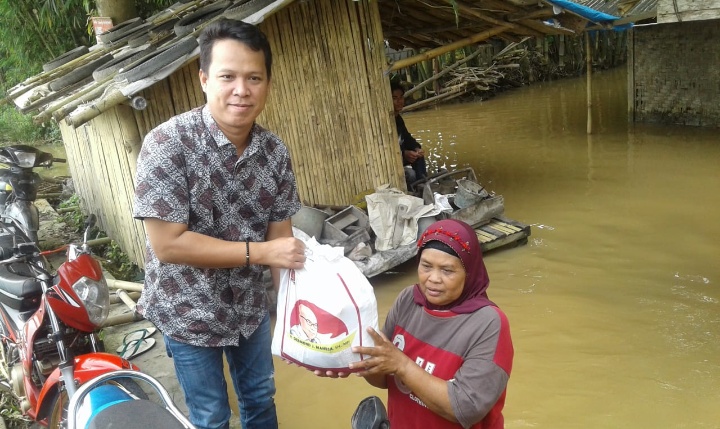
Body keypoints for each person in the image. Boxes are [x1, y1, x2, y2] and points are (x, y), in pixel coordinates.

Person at [132, 19, 306, 429]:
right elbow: (168, 245)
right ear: (204, 80)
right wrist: (262, 253)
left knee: (262, 399)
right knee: (211, 416)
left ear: (267, 84)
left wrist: (294, 318)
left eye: (254, 78)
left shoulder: (274, 152)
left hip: (249, 308)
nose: (241, 90)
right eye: (228, 76)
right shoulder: (166, 143)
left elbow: (281, 237)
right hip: (186, 309)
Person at [349, 219, 514, 429]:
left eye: (447, 270)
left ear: (469, 273)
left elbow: (466, 408)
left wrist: (402, 365)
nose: (433, 279)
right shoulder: (408, 300)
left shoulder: (488, 323)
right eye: (426, 266)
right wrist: (352, 360)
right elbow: (383, 379)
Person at [391, 81, 427, 187]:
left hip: (401, 156)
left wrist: (416, 149)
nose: (399, 101)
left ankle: (422, 185)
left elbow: (407, 139)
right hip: (390, 160)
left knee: (418, 157)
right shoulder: (385, 121)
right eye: (395, 98)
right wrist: (403, 153)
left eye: (401, 97)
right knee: (411, 174)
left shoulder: (398, 119)